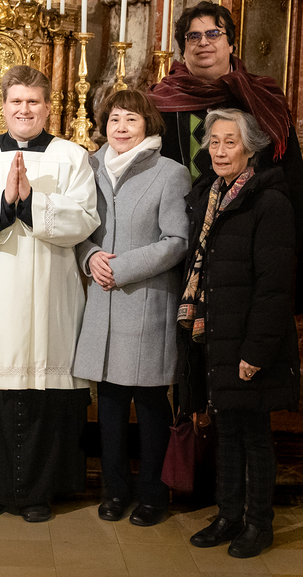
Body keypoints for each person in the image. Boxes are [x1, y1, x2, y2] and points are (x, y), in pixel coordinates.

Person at [0, 65, 99, 523]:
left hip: (52, 293)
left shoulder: (73, 157)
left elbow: (85, 219)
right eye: (16, 101)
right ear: (3, 105)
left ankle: (38, 493)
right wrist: (4, 204)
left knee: (44, 391)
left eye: (33, 101)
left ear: (49, 107)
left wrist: (32, 201)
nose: (24, 109)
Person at [177, 108, 300, 559]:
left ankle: (259, 523)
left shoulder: (268, 201)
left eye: (230, 142)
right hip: (216, 334)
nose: (220, 151)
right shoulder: (209, 195)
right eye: (214, 142)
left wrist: (256, 351)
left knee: (254, 434)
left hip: (248, 340)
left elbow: (274, 288)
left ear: (250, 148)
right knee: (226, 430)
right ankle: (228, 515)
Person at [73, 90, 191, 527]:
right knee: (108, 404)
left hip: (145, 303)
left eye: (131, 120)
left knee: (151, 403)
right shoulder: (89, 167)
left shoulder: (170, 173)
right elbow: (77, 228)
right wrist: (89, 256)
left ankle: (154, 494)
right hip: (101, 303)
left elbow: (176, 241)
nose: (121, 128)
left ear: (149, 125)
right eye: (114, 119)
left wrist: (120, 268)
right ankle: (115, 491)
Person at [148, 1, 303, 244]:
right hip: (176, 234)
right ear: (183, 50)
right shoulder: (160, 102)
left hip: (247, 234)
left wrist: (292, 243)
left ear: (231, 44)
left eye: (213, 34)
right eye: (193, 36)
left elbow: (291, 176)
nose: (203, 42)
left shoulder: (261, 98)